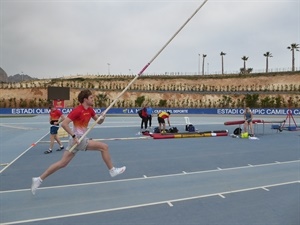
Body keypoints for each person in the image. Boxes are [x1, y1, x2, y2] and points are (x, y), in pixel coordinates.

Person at [31, 89, 126, 195]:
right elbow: (64, 124)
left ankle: (39, 179)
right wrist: (74, 136)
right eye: (91, 98)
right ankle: (112, 170)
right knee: (104, 147)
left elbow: (98, 122)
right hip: (78, 139)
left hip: (78, 140)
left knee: (62, 163)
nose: (93, 99)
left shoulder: (90, 110)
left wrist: (103, 117)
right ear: (85, 99)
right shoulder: (77, 110)